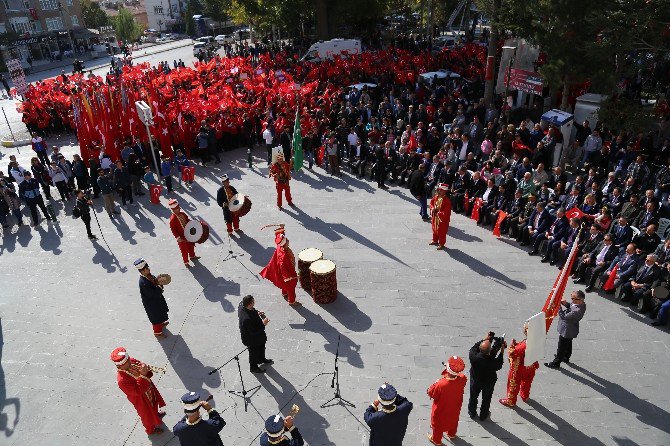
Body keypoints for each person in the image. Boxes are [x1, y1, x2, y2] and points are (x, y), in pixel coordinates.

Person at [111, 347, 166, 435]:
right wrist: (143, 375)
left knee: (154, 403)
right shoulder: (122, 380)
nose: (130, 361)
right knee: (146, 416)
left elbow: (140, 365)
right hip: (141, 400)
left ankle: (156, 414)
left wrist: (145, 367)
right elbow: (137, 391)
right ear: (120, 365)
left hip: (149, 390)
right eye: (127, 361)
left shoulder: (131, 361)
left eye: (128, 359)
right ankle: (150, 430)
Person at [427, 355, 467, 444]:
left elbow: (431, 393)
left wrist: (435, 383)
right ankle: (451, 434)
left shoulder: (441, 384)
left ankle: (436, 440)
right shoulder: (463, 378)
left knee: (437, 425)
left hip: (441, 410)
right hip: (455, 408)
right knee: (454, 420)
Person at [468, 332, 505, 421]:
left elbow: (474, 347)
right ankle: (483, 415)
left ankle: (472, 412)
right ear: (490, 352)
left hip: (475, 380)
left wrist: (485, 339)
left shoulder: (473, 356)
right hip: (488, 382)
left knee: (473, 396)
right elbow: (499, 364)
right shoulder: (493, 362)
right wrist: (502, 350)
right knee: (486, 399)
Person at [499, 323, 539, 407]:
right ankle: (525, 396)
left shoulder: (523, 346)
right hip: (531, 367)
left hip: (519, 369)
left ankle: (511, 401)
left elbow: (512, 354)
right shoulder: (537, 341)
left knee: (513, 384)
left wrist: (512, 345)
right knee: (527, 382)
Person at [545, 290, 587, 368]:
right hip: (571, 329)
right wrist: (565, 303)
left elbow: (564, 316)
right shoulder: (581, 304)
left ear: (580, 299)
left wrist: (558, 307)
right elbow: (571, 307)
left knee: (561, 346)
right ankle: (566, 357)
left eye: (573, 298)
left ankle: (556, 363)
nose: (571, 300)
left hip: (567, 330)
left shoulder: (577, 311)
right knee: (568, 344)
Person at [260, 226, 300, 305]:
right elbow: (282, 266)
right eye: (287, 241)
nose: (288, 241)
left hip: (280, 271)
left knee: (283, 283)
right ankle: (292, 301)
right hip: (286, 273)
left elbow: (279, 235)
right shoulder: (283, 255)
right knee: (291, 286)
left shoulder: (279, 246)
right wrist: (289, 277)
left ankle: (284, 293)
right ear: (285, 244)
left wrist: (281, 227)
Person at [134, 258, 170, 338]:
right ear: (142, 271)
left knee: (160, 314)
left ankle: (161, 324)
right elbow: (152, 294)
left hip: (157, 301)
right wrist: (160, 287)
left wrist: (160, 281)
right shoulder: (143, 283)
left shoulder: (149, 276)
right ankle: (158, 333)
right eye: (146, 268)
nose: (148, 269)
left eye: (148, 267)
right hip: (152, 304)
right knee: (156, 317)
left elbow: (156, 281)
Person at [238, 295, 272, 374]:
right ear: (249, 304)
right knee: (253, 353)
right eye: (253, 302)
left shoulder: (242, 305)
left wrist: (257, 312)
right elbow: (254, 331)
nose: (254, 303)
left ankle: (261, 359)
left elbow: (252, 310)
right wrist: (264, 324)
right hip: (251, 339)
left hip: (258, 337)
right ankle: (253, 368)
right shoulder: (247, 319)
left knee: (261, 346)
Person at [168, 199, 200, 267]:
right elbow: (173, 230)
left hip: (188, 234)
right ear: (173, 210)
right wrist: (178, 237)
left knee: (191, 245)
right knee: (184, 250)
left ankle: (192, 256)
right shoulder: (172, 219)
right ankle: (186, 262)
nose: (177, 210)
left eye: (178, 208)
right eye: (175, 209)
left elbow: (187, 220)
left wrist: (192, 223)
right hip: (181, 238)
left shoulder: (183, 214)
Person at [429, 183, 452, 250]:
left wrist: (438, 213)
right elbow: (431, 204)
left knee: (441, 232)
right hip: (435, 218)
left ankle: (441, 244)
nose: (439, 191)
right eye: (439, 190)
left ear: (445, 191)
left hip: (442, 220)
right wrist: (432, 209)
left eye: (441, 190)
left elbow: (447, 212)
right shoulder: (436, 197)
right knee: (434, 229)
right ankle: (435, 240)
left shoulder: (447, 201)